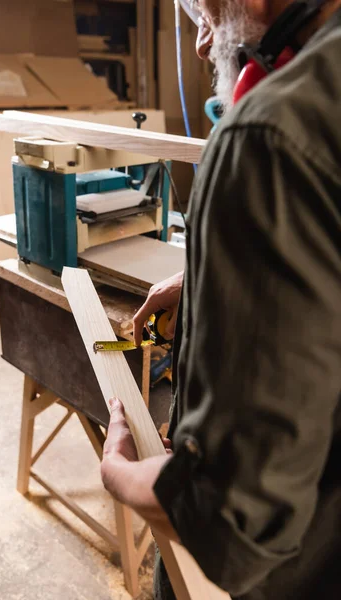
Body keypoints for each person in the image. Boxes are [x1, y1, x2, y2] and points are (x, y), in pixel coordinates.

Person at [101, 1, 341, 598]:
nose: (203, 46)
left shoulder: (271, 134)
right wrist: (210, 279)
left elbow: (232, 524)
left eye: (200, 13)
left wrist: (122, 476)